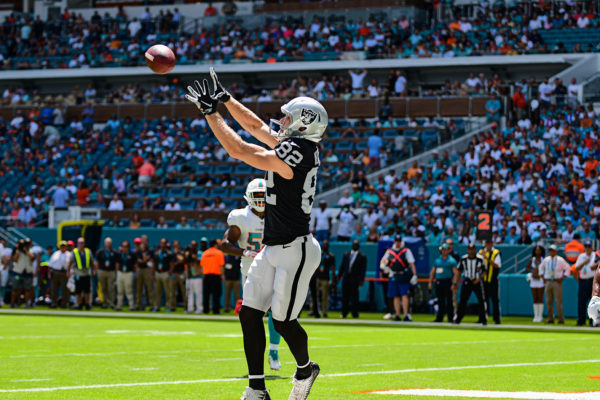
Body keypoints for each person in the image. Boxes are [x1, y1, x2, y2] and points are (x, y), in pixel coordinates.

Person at [187, 68, 327, 400]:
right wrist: (225, 100)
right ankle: (256, 388)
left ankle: (306, 370)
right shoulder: (295, 144)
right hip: (272, 246)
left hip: (296, 248)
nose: (280, 122)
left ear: (303, 124)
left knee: (282, 321)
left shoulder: (299, 152)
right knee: (249, 312)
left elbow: (242, 150)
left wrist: (211, 114)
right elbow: (255, 127)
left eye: (288, 118)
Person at [220, 178, 283, 371]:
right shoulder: (241, 217)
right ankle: (257, 355)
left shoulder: (278, 214)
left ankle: (273, 350)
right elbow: (225, 245)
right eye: (257, 195)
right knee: (253, 316)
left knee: (276, 310)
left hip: (273, 267)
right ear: (248, 197)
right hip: (250, 271)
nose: (261, 199)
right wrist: (245, 252)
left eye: (263, 195)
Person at [380, 235, 418, 321]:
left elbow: (412, 263)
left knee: (404, 295)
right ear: (394, 241)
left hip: (403, 275)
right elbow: (383, 261)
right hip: (393, 274)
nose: (398, 243)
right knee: (395, 296)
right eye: (396, 241)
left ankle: (406, 314)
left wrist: (414, 275)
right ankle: (397, 314)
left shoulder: (406, 251)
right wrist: (383, 266)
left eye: (399, 241)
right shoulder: (390, 251)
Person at [453, 243, 487, 325]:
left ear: (475, 250)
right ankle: (458, 318)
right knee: (462, 301)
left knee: (481, 300)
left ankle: (483, 319)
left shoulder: (480, 259)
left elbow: (485, 271)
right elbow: (459, 271)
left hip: (477, 281)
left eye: (472, 249)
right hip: (467, 281)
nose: (471, 251)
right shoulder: (464, 259)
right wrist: (456, 283)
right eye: (470, 249)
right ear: (467, 250)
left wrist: (479, 279)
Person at [539, 244, 570, 324]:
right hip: (548, 281)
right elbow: (541, 268)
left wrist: (562, 277)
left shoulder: (560, 260)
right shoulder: (546, 260)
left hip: (557, 281)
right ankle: (550, 318)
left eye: (552, 250)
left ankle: (560, 319)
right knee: (548, 301)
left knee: (558, 301)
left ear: (556, 251)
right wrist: (542, 277)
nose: (551, 252)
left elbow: (567, 268)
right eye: (550, 250)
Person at [338, 240, 367, 319]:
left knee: (355, 297)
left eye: (356, 245)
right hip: (346, 278)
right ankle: (344, 313)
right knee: (345, 297)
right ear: (352, 245)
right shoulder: (346, 255)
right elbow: (342, 267)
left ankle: (355, 313)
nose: (355, 246)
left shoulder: (362, 256)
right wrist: (338, 277)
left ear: (359, 246)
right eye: (354, 244)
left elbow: (363, 270)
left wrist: (361, 281)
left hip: (355, 279)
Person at [428, 243, 456, 322]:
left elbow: (455, 273)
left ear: (448, 250)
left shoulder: (451, 261)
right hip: (439, 282)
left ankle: (450, 317)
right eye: (442, 250)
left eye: (445, 250)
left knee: (449, 301)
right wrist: (430, 282)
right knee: (440, 301)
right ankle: (439, 317)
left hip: (447, 281)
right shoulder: (437, 260)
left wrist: (454, 283)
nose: (443, 251)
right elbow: (433, 272)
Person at [573, 240, 598, 326]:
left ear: (592, 248)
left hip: (592, 281)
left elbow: (597, 264)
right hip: (583, 280)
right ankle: (581, 320)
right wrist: (584, 262)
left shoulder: (595, 255)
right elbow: (576, 269)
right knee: (581, 302)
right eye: (586, 247)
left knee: (593, 302)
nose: (587, 249)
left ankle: (593, 321)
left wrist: (594, 265)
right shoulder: (581, 256)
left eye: (589, 247)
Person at [479, 239, 502, 324]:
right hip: (483, 280)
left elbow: (497, 265)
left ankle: (497, 319)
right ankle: (483, 318)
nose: (487, 245)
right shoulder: (481, 252)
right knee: (483, 300)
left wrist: (486, 257)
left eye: (489, 243)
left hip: (493, 280)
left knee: (495, 300)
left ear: (492, 243)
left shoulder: (496, 252)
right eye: (486, 243)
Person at [69, 237, 95, 310]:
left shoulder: (88, 251)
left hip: (86, 273)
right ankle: (79, 304)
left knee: (87, 290)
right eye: (80, 243)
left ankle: (87, 304)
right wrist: (68, 271)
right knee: (78, 290)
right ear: (77, 244)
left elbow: (92, 262)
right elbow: (70, 262)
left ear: (84, 244)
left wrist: (93, 270)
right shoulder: (74, 252)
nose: (81, 244)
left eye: (82, 243)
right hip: (78, 274)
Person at [200, 239, 225, 314]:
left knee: (206, 294)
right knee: (216, 294)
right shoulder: (219, 253)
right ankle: (216, 310)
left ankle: (206, 310)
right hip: (216, 276)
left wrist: (203, 275)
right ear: (216, 245)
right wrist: (222, 275)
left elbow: (202, 266)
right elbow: (221, 265)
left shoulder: (205, 253)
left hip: (207, 276)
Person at [95, 237, 118, 309]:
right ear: (105, 243)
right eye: (107, 242)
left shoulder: (114, 252)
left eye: (109, 242)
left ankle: (112, 303)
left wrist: (116, 272)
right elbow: (97, 262)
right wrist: (97, 270)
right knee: (103, 288)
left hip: (111, 272)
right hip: (102, 271)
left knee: (111, 288)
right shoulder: (100, 252)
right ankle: (104, 302)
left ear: (111, 244)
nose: (108, 244)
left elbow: (117, 263)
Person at [11, 239, 35, 308]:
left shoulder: (31, 251)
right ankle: (13, 303)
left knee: (27, 289)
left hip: (28, 273)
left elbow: (32, 258)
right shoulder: (17, 250)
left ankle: (26, 304)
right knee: (15, 288)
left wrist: (26, 251)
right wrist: (17, 250)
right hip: (18, 272)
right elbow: (15, 259)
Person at [315, 239, 335, 318]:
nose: (325, 246)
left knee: (325, 296)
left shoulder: (330, 256)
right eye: (324, 244)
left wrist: (333, 279)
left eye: (326, 244)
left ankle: (325, 311)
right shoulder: (319, 254)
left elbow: (333, 268)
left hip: (325, 278)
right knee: (315, 295)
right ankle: (313, 310)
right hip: (318, 276)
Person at [134, 238, 156, 312]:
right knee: (138, 288)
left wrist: (144, 255)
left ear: (147, 241)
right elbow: (139, 261)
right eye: (142, 241)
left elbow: (149, 260)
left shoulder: (150, 250)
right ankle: (138, 305)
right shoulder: (138, 251)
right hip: (140, 269)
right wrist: (144, 259)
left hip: (147, 270)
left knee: (149, 288)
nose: (143, 242)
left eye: (145, 241)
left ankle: (152, 305)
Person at [526, 245, 545, 323]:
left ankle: (540, 316)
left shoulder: (544, 260)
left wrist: (540, 273)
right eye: (536, 250)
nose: (538, 252)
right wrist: (532, 272)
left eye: (539, 250)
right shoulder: (532, 260)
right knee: (535, 297)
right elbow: (527, 268)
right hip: (533, 280)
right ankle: (535, 316)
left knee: (540, 297)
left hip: (540, 279)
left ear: (541, 251)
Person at [49, 241, 70, 308]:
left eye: (64, 246)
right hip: (55, 272)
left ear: (66, 247)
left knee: (65, 290)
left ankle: (64, 304)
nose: (63, 248)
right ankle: (54, 303)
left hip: (64, 273)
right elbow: (50, 265)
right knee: (54, 289)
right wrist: (49, 273)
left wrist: (69, 273)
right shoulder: (55, 254)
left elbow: (71, 266)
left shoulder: (69, 254)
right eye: (62, 246)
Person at [116, 240, 136, 311]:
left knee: (129, 290)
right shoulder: (119, 254)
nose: (124, 248)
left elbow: (135, 265)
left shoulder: (132, 254)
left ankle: (131, 306)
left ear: (128, 247)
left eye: (126, 246)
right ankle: (119, 306)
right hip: (120, 273)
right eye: (123, 246)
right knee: (119, 290)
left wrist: (133, 272)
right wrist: (117, 272)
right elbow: (117, 264)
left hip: (128, 273)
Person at [154, 238, 172, 312]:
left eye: (164, 243)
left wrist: (170, 272)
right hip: (157, 273)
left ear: (166, 244)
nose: (162, 244)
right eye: (161, 243)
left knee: (167, 291)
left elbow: (171, 264)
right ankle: (157, 306)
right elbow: (154, 264)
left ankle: (168, 306)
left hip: (165, 273)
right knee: (157, 291)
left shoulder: (168, 253)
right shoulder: (157, 253)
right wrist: (153, 274)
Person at [185, 240, 203, 314]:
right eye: (192, 245)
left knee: (198, 293)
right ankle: (190, 308)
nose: (193, 247)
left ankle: (199, 308)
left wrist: (193, 255)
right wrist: (187, 254)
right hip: (189, 276)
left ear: (196, 246)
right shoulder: (188, 253)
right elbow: (185, 261)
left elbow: (200, 261)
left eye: (194, 245)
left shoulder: (199, 252)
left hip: (197, 276)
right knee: (189, 293)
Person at [169, 240, 186, 312]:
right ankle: (172, 307)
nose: (175, 246)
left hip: (181, 273)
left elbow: (182, 260)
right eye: (174, 245)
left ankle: (186, 307)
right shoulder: (171, 254)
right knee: (172, 291)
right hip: (174, 274)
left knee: (183, 291)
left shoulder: (181, 252)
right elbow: (171, 263)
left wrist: (176, 254)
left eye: (177, 245)